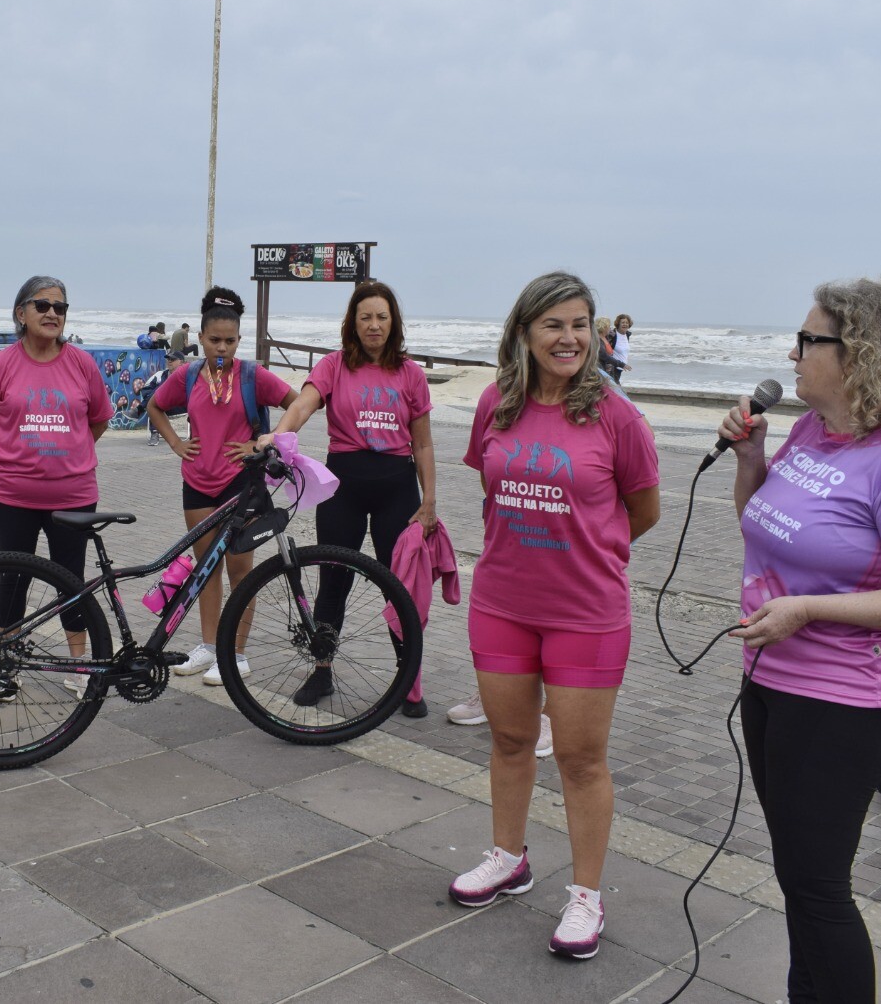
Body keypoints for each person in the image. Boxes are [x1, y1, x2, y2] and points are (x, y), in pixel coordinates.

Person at [713, 279, 881, 999]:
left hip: (849, 697)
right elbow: (761, 524)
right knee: (797, 876)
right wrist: (751, 461)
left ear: (858, 354)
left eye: (807, 340)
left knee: (818, 886)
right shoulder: (810, 432)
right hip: (771, 680)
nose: (791, 353)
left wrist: (807, 610)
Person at [447, 272, 660, 962]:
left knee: (579, 758)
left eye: (580, 324)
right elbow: (491, 485)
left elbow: (644, 509)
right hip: (503, 603)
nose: (569, 337)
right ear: (524, 334)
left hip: (586, 614)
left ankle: (587, 895)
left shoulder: (617, 416)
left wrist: (587, 550)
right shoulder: (496, 404)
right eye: (553, 325)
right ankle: (509, 856)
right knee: (510, 741)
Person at [262, 280, 437, 713]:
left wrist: (430, 499)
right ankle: (322, 671)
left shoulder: (411, 373)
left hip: (397, 484)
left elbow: (425, 444)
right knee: (333, 580)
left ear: (393, 321)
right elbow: (304, 403)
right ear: (353, 323)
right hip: (344, 486)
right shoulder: (335, 366)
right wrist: (279, 433)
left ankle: (407, 676)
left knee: (399, 583)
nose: (374, 325)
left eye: (381, 316)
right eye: (365, 317)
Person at [0, 276, 112, 695]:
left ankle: (79, 666)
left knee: (73, 579)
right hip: (10, 496)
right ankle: (6, 663)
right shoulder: (3, 364)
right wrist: (15, 454)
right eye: (42, 305)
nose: (52, 313)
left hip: (74, 496)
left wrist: (69, 453)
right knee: (15, 576)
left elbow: (99, 420)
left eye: (60, 308)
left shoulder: (82, 363)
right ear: (21, 313)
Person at [149, 288, 295, 684]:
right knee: (205, 569)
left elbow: (296, 405)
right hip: (197, 484)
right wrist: (177, 442)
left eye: (230, 341)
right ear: (201, 336)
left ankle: (238, 653)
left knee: (240, 571)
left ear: (239, 341)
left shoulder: (252, 375)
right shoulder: (188, 375)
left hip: (241, 485)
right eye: (214, 340)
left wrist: (262, 441)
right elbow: (155, 406)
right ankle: (210, 647)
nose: (222, 347)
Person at [595, 317, 625, 384]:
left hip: (609, 371)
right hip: (600, 372)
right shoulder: (597, 340)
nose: (610, 328)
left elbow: (617, 333)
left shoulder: (606, 338)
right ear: (604, 327)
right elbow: (604, 356)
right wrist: (621, 364)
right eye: (608, 326)